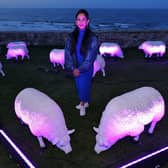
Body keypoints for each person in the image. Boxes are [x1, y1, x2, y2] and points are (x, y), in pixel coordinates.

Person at [65, 9, 99, 116]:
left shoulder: (92, 38)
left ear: (88, 21)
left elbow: (90, 57)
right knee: (79, 86)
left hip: (86, 68)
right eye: (78, 19)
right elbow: (68, 54)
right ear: (75, 22)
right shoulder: (71, 37)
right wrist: (72, 68)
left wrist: (80, 69)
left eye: (83, 19)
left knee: (84, 86)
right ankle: (84, 102)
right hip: (75, 66)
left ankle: (83, 104)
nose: (81, 22)